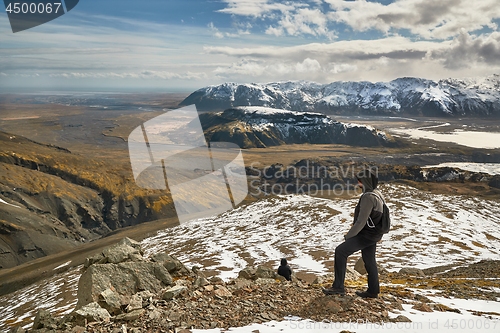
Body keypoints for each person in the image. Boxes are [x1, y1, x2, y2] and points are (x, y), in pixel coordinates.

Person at [322, 169, 385, 298]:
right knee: (369, 261)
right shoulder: (378, 194)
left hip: (366, 235)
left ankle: (338, 287)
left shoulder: (368, 197)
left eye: (360, 181)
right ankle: (373, 291)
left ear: (366, 181)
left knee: (340, 251)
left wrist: (349, 236)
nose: (358, 183)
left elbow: (361, 221)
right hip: (374, 235)